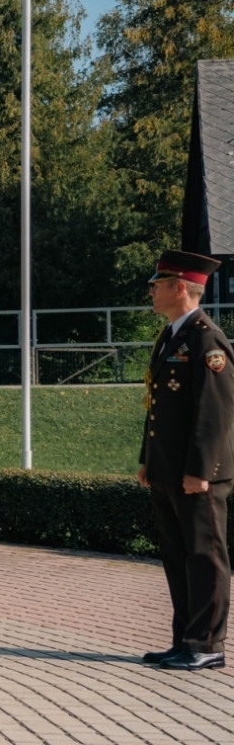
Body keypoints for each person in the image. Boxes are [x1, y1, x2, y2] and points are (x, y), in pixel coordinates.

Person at [137, 250, 234, 671]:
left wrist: (200, 470)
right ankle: (185, 640)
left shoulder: (206, 339)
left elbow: (216, 412)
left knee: (205, 556)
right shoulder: (171, 336)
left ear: (180, 288)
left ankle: (208, 643)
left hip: (197, 475)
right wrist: (148, 460)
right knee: (178, 557)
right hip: (168, 471)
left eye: (158, 284)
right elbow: (157, 406)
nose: (152, 291)